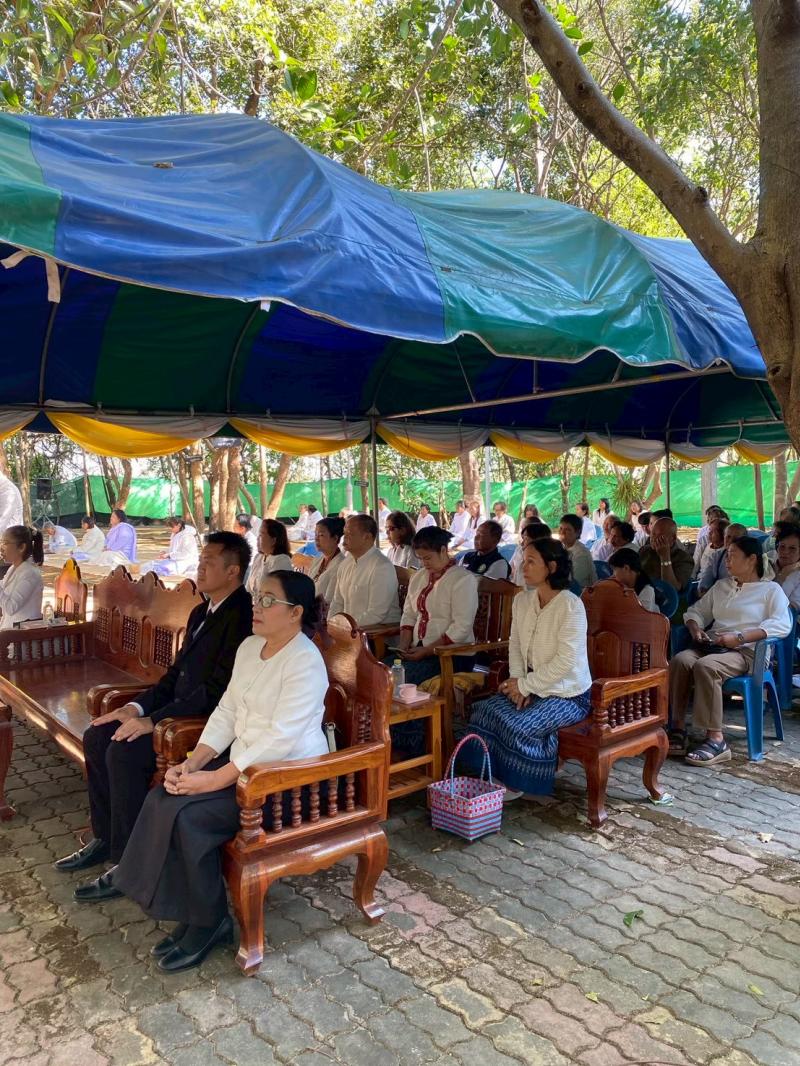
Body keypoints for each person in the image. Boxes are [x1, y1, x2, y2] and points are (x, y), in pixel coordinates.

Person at [109, 571, 329, 972]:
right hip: (242, 768)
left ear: (295, 612)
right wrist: (192, 762)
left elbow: (280, 738)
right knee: (164, 795)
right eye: (257, 596)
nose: (256, 606)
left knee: (192, 818)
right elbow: (226, 711)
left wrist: (215, 777)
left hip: (286, 781)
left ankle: (211, 923)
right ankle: (188, 911)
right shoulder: (250, 647)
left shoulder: (305, 662)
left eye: (268, 600)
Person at [60, 533, 254, 883]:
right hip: (171, 712)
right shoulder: (202, 611)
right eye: (200, 560)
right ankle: (105, 837)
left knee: (124, 752)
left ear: (233, 571)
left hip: (199, 726)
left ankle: (129, 864)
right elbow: (174, 676)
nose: (200, 567)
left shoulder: (243, 616)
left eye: (209, 562)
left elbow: (217, 692)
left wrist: (154, 721)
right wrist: (135, 709)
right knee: (98, 736)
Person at [466, 539, 592, 797]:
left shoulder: (570, 605)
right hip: (529, 685)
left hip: (567, 694)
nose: (524, 567)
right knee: (484, 711)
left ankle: (519, 782)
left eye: (531, 561)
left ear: (552, 567)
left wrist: (525, 686)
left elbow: (566, 661)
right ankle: (489, 776)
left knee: (517, 724)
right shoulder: (523, 600)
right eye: (524, 560)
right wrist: (517, 684)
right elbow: (515, 645)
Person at [669, 536, 791, 764]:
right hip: (714, 645)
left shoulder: (770, 590)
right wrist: (695, 629)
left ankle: (716, 739)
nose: (727, 561)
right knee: (681, 660)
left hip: (746, 652)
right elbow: (696, 611)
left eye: (732, 555)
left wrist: (739, 638)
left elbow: (782, 624)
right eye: (727, 556)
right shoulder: (722, 586)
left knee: (706, 666)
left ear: (752, 559)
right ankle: (677, 727)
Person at [391, 526, 479, 686]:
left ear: (443, 550)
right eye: (420, 558)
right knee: (379, 671)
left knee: (397, 680)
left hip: (452, 655)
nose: (424, 563)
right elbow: (409, 614)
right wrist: (403, 645)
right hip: (418, 650)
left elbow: (462, 627)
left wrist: (427, 650)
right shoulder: (418, 577)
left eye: (428, 558)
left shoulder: (463, 579)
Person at [328, 514, 400, 626]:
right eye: (344, 533)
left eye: (350, 534)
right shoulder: (345, 563)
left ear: (367, 537)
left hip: (378, 632)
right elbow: (337, 602)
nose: (344, 538)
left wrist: (346, 628)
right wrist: (331, 624)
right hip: (348, 629)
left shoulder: (381, 566)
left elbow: (376, 614)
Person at [0, 526, 44, 629]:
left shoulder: (30, 573)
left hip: (24, 635)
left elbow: (11, 608)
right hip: (10, 630)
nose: (1, 548)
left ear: (21, 547)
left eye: (5, 543)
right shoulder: (13, 568)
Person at [639, 517, 693, 592]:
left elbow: (673, 588)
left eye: (659, 535)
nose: (653, 538)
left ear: (673, 538)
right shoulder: (645, 551)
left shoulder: (684, 558)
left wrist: (665, 557)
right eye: (653, 533)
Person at [246, 518, 293, 598]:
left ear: (273, 540)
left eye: (261, 534)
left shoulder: (282, 560)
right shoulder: (259, 557)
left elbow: (276, 594)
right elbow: (248, 589)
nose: (257, 538)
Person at [697, 522, 747, 594]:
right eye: (728, 537)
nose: (731, 541)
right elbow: (706, 579)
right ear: (724, 537)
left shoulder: (750, 559)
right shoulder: (716, 556)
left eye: (736, 538)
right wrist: (703, 590)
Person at [608, 547, 659, 612]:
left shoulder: (647, 591)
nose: (613, 575)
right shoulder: (622, 587)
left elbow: (639, 616)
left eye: (614, 569)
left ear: (626, 568)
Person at [308, 516, 345, 603]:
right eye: (315, 535)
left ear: (335, 538)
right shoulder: (317, 560)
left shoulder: (341, 565)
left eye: (321, 535)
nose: (316, 539)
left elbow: (329, 600)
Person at [558, 514, 595, 589]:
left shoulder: (581, 554)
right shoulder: (562, 548)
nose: (562, 532)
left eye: (567, 530)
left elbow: (574, 583)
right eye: (561, 528)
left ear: (578, 533)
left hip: (581, 593)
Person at [511, 521, 552, 586]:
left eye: (526, 539)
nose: (522, 543)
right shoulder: (521, 556)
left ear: (537, 540)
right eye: (523, 539)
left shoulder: (546, 563)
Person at [693, 506, 729, 577]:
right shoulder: (704, 540)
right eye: (710, 519)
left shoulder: (729, 548)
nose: (709, 533)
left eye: (713, 531)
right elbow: (696, 562)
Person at [773, 526, 800, 609]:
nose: (785, 552)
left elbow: (792, 609)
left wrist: (782, 577)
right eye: (782, 546)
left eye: (792, 548)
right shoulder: (767, 560)